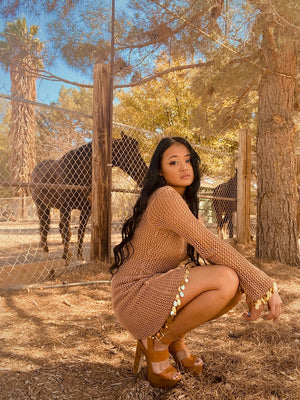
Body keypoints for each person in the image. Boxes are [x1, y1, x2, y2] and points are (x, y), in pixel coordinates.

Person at [110, 137, 282, 388]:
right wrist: (264, 285)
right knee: (226, 278)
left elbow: (212, 252)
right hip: (134, 293)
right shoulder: (165, 196)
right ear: (160, 170)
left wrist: (249, 284)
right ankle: (157, 343)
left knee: (233, 282)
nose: (184, 167)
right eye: (173, 162)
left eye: (188, 160)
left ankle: (172, 337)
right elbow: (212, 246)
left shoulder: (185, 206)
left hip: (153, 287)